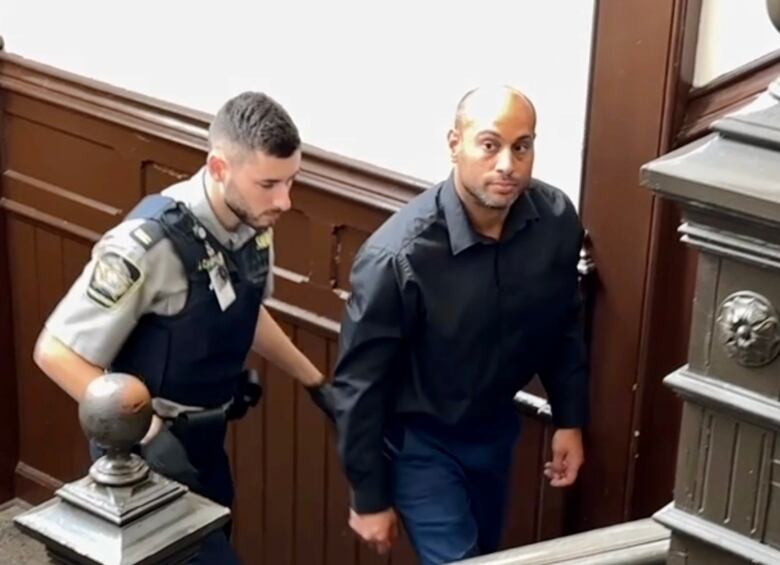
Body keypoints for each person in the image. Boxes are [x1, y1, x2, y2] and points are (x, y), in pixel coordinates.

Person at [33, 91, 333, 564]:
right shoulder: (150, 244)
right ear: (219, 168)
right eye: (269, 183)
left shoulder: (249, 223)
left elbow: (244, 308)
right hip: (141, 457)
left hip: (205, 442)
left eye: (291, 181)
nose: (285, 200)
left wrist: (316, 381)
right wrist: (149, 436)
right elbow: (56, 351)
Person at [330, 85, 589, 564]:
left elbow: (563, 325)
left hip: (494, 429)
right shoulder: (397, 258)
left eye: (522, 146)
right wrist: (368, 496)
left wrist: (569, 420)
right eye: (490, 145)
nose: (508, 164)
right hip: (419, 442)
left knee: (487, 554)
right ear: (455, 144)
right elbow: (358, 386)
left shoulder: (554, 221)